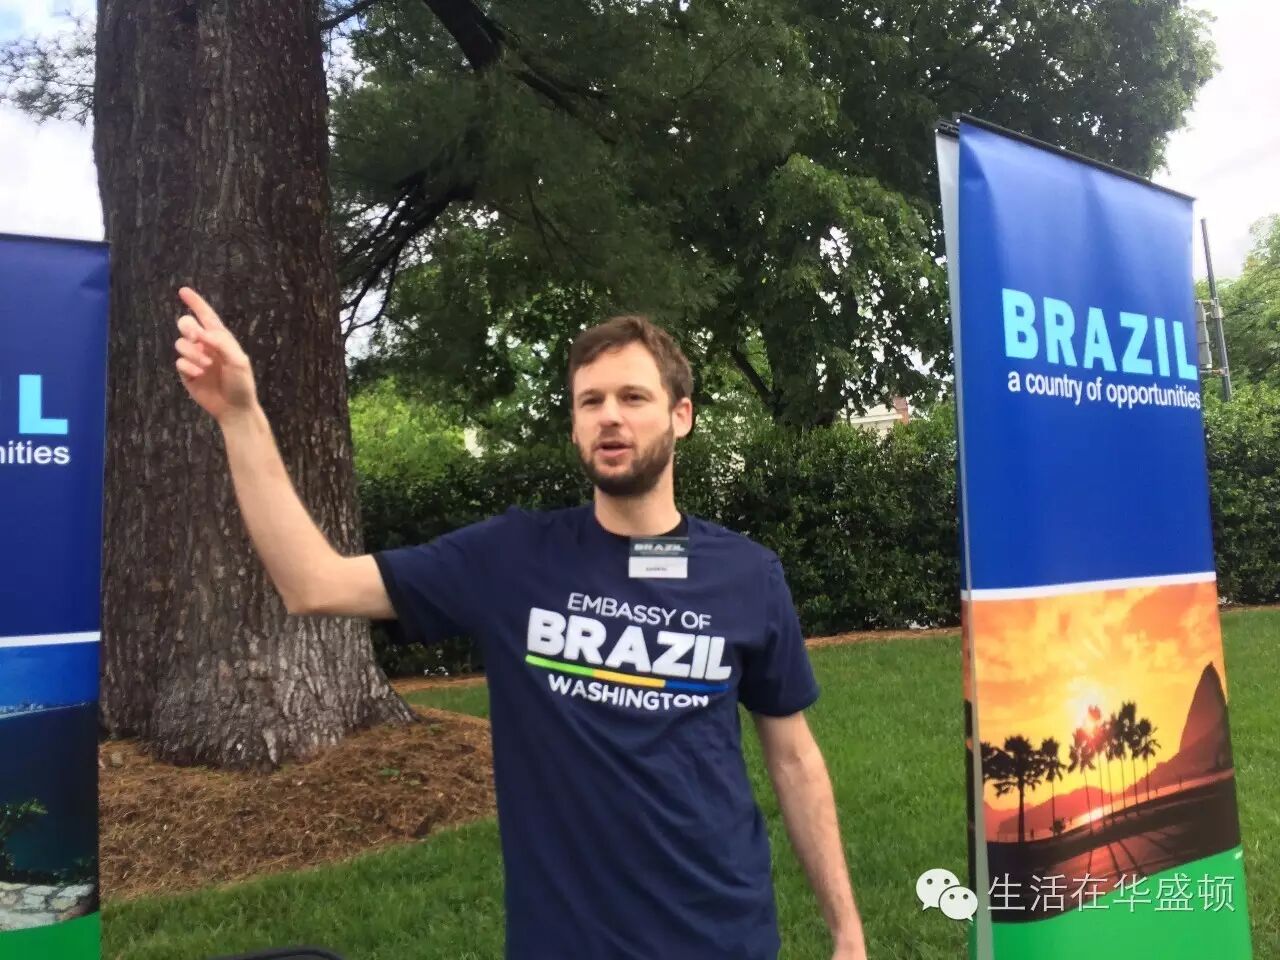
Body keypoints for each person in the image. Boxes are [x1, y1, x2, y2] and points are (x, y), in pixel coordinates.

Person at [173, 286, 868, 960]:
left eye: (633, 397)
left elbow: (793, 757)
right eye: (590, 401)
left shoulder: (746, 575)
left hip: (721, 935)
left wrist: (847, 935)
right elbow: (312, 583)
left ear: (680, 415)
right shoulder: (512, 559)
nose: (610, 417)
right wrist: (241, 415)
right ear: (574, 425)